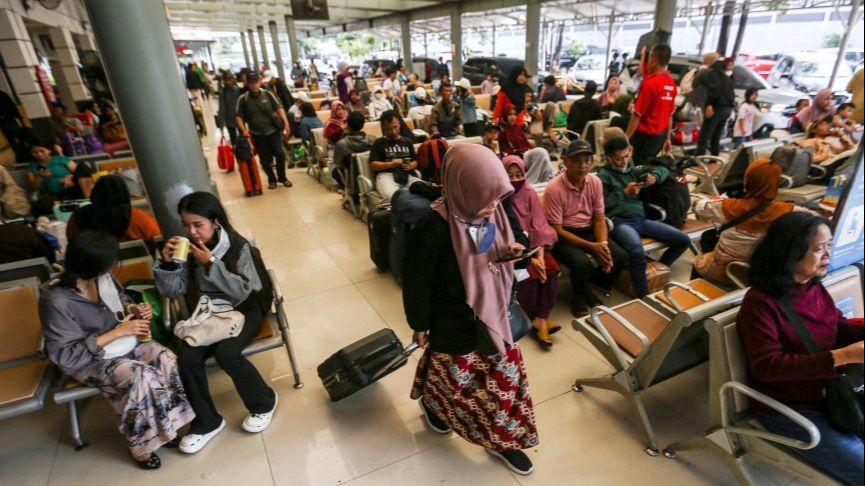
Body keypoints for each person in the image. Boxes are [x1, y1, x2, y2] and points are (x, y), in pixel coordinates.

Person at [404, 143, 539, 476]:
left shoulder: (490, 206)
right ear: (463, 187)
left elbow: (510, 232)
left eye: (497, 197)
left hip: (496, 312)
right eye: (486, 197)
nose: (494, 205)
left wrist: (516, 247)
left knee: (504, 382)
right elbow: (417, 282)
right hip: (453, 321)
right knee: (453, 377)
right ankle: (436, 406)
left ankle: (503, 440)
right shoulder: (433, 228)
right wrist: (419, 323)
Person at [41, 231, 194, 469]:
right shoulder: (56, 300)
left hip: (123, 344)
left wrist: (132, 307)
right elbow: (67, 355)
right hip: (89, 360)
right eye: (109, 262)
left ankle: (166, 429)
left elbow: (119, 299)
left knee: (165, 357)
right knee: (140, 375)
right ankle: (141, 446)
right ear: (91, 264)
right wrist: (119, 332)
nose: (113, 266)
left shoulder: (102, 277)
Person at [738, 211, 864, 486]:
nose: (828, 254)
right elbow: (767, 367)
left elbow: (835, 325)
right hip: (790, 407)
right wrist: (843, 356)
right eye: (819, 249)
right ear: (789, 253)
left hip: (831, 392)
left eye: (829, 245)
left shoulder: (812, 286)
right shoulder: (759, 303)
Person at [153, 192, 277, 454]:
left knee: (227, 354)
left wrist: (211, 264)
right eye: (186, 225)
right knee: (186, 358)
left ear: (216, 222)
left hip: (246, 309)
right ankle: (208, 420)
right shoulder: (186, 249)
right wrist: (167, 264)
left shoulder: (238, 247)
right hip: (208, 314)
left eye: (198, 224)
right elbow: (172, 291)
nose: (192, 231)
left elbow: (249, 290)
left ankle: (263, 402)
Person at [598, 136, 690, 298]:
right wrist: (624, 193)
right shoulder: (602, 176)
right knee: (637, 252)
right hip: (619, 222)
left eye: (626, 156)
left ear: (630, 151)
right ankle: (643, 297)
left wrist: (654, 177)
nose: (624, 161)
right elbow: (601, 206)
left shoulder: (633, 171)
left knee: (683, 240)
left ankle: (658, 270)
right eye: (619, 159)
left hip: (640, 220)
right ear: (608, 158)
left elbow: (663, 169)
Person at [545, 139, 628, 316]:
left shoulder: (594, 181)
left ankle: (586, 286)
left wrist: (602, 244)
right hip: (564, 234)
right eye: (577, 160)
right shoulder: (554, 188)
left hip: (588, 228)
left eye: (587, 160)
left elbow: (599, 219)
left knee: (620, 256)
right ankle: (579, 296)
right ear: (565, 161)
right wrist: (592, 247)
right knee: (581, 263)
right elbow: (557, 229)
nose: (583, 165)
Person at [692, 159, 806, 285]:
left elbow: (698, 207)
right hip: (760, 274)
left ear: (748, 182)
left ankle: (694, 293)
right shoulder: (789, 211)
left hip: (723, 271)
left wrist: (712, 201)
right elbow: (815, 218)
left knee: (698, 262)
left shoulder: (727, 207)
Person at [504, 155, 561, 347]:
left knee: (550, 267)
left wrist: (539, 255)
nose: (514, 180)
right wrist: (529, 259)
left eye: (518, 174)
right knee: (527, 274)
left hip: (535, 247)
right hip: (514, 252)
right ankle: (535, 318)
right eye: (509, 175)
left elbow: (540, 225)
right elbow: (508, 233)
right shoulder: (501, 198)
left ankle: (541, 318)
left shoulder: (528, 192)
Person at [67, 174, 161, 253]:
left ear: (95, 193)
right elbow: (158, 238)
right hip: (139, 269)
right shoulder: (136, 218)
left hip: (94, 270)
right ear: (124, 192)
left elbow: (72, 241)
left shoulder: (79, 216)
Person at [235, 72, 292, 189]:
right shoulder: (243, 99)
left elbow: (279, 108)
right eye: (251, 83)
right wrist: (243, 129)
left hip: (273, 130)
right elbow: (238, 116)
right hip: (257, 133)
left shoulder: (268, 94)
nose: (254, 85)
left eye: (256, 82)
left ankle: (282, 177)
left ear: (259, 82)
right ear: (247, 84)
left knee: (280, 154)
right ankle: (272, 179)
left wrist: (286, 123)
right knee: (264, 159)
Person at [626, 45, 677, 165]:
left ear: (653, 60)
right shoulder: (672, 84)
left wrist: (625, 138)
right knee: (649, 168)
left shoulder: (650, 84)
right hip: (659, 138)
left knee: (640, 170)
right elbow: (670, 115)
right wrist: (668, 139)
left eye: (648, 59)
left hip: (644, 139)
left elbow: (637, 114)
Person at [369, 110, 422, 202]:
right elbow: (373, 165)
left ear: (399, 124)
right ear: (384, 128)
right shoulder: (378, 143)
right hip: (386, 175)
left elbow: (415, 161)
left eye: (395, 127)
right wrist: (391, 164)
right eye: (389, 129)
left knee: (425, 190)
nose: (393, 132)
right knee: (392, 196)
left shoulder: (407, 141)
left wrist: (411, 165)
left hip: (406, 175)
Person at [694, 59, 735, 156]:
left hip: (716, 109)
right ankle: (714, 160)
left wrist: (709, 104)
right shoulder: (727, 78)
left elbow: (714, 89)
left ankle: (698, 162)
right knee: (715, 137)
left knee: (704, 137)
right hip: (727, 110)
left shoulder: (713, 74)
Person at [27, 143, 93, 200]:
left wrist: (70, 177)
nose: (39, 154)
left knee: (82, 166)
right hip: (58, 194)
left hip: (73, 187)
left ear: (49, 150)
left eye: (42, 151)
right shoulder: (32, 166)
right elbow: (33, 187)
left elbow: (80, 172)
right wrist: (40, 177)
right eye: (35, 152)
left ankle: (88, 199)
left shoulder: (59, 158)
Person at [332, 111, 375, 190]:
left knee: (335, 171)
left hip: (353, 181)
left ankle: (347, 192)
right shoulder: (372, 139)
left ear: (347, 125)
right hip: (371, 177)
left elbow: (338, 164)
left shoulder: (341, 144)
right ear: (363, 124)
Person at [217, 72, 241, 146]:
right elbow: (222, 108)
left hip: (240, 118)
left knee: (243, 137)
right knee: (233, 139)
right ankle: (236, 151)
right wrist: (221, 124)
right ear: (224, 81)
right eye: (226, 80)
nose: (229, 82)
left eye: (230, 79)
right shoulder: (223, 93)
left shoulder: (238, 90)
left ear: (233, 79)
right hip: (229, 119)